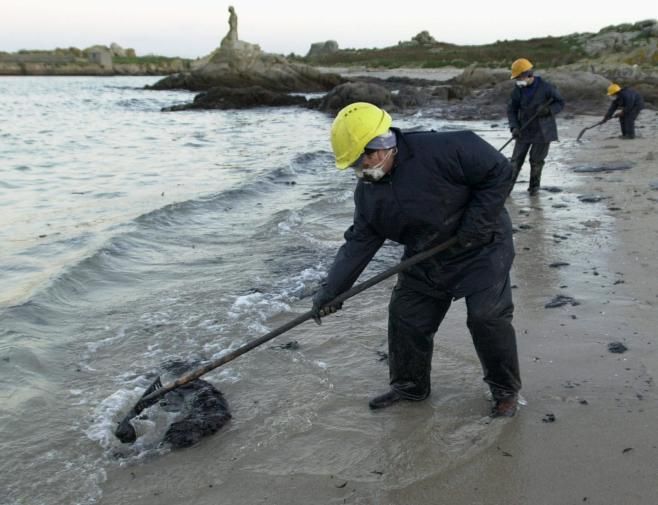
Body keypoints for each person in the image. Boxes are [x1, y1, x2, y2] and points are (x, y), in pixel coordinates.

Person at [312, 102, 521, 417]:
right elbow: (360, 242)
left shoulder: (447, 146)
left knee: (486, 318)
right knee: (406, 317)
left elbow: (499, 172)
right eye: (355, 163)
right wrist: (332, 291)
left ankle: (504, 390)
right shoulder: (368, 193)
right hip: (425, 256)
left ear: (382, 144)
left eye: (364, 157)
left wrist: (477, 223)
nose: (362, 167)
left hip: (482, 246)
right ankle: (410, 387)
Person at [507, 58, 565, 196]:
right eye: (516, 78)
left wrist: (548, 110)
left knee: (536, 161)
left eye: (519, 77)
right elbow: (512, 110)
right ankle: (506, 190)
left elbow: (560, 103)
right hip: (523, 130)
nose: (517, 80)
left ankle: (534, 189)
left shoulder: (547, 87)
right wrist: (514, 127)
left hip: (543, 131)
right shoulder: (518, 90)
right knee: (515, 161)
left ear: (528, 74)